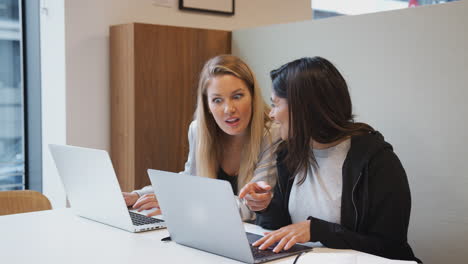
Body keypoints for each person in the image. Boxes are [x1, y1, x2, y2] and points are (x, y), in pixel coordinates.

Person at [239, 57, 421, 262]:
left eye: (275, 104)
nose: (271, 114)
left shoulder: (377, 162)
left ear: (303, 108)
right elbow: (282, 230)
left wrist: (319, 231)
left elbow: (391, 249)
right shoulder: (289, 153)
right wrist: (265, 206)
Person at [123, 55, 281, 220]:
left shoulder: (273, 134)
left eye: (237, 96)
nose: (228, 109)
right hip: (208, 229)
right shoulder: (198, 130)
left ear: (253, 97)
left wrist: (176, 204)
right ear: (208, 106)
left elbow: (251, 207)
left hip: (253, 236)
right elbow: (190, 181)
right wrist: (137, 196)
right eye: (217, 100)